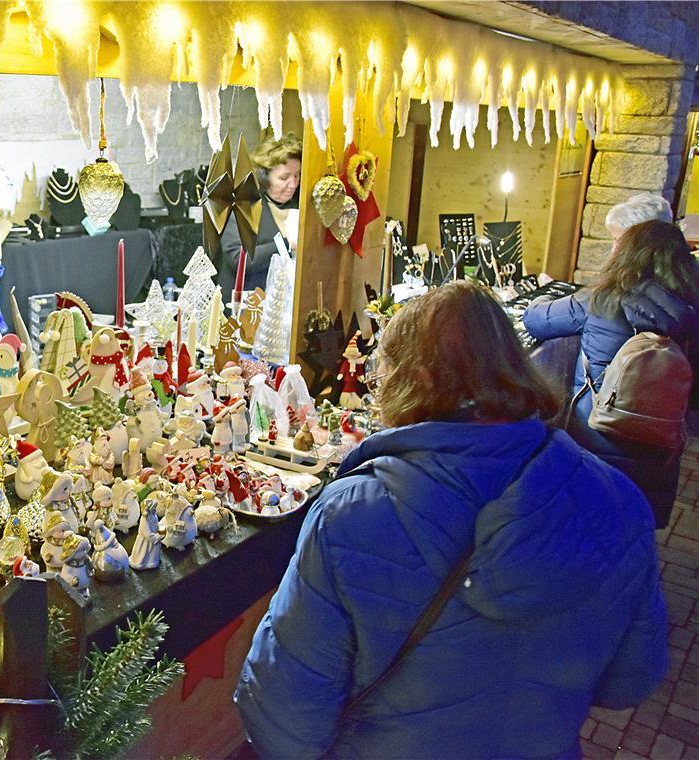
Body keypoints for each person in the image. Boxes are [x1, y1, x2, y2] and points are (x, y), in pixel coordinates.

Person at [236, 281, 667, 759]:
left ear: (416, 381)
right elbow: (631, 680)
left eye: (383, 377)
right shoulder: (620, 502)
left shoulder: (350, 517)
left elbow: (285, 725)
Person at [523, 220, 698, 527]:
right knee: (633, 522)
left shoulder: (604, 299)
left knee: (583, 523)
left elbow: (536, 320)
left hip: (596, 437)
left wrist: (540, 296)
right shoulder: (691, 315)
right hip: (660, 443)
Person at [218, 133, 301, 293]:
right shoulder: (243, 204)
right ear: (264, 177)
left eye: (297, 175)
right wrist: (287, 244)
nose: (293, 184)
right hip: (246, 303)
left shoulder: (300, 203)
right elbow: (239, 259)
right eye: (284, 178)